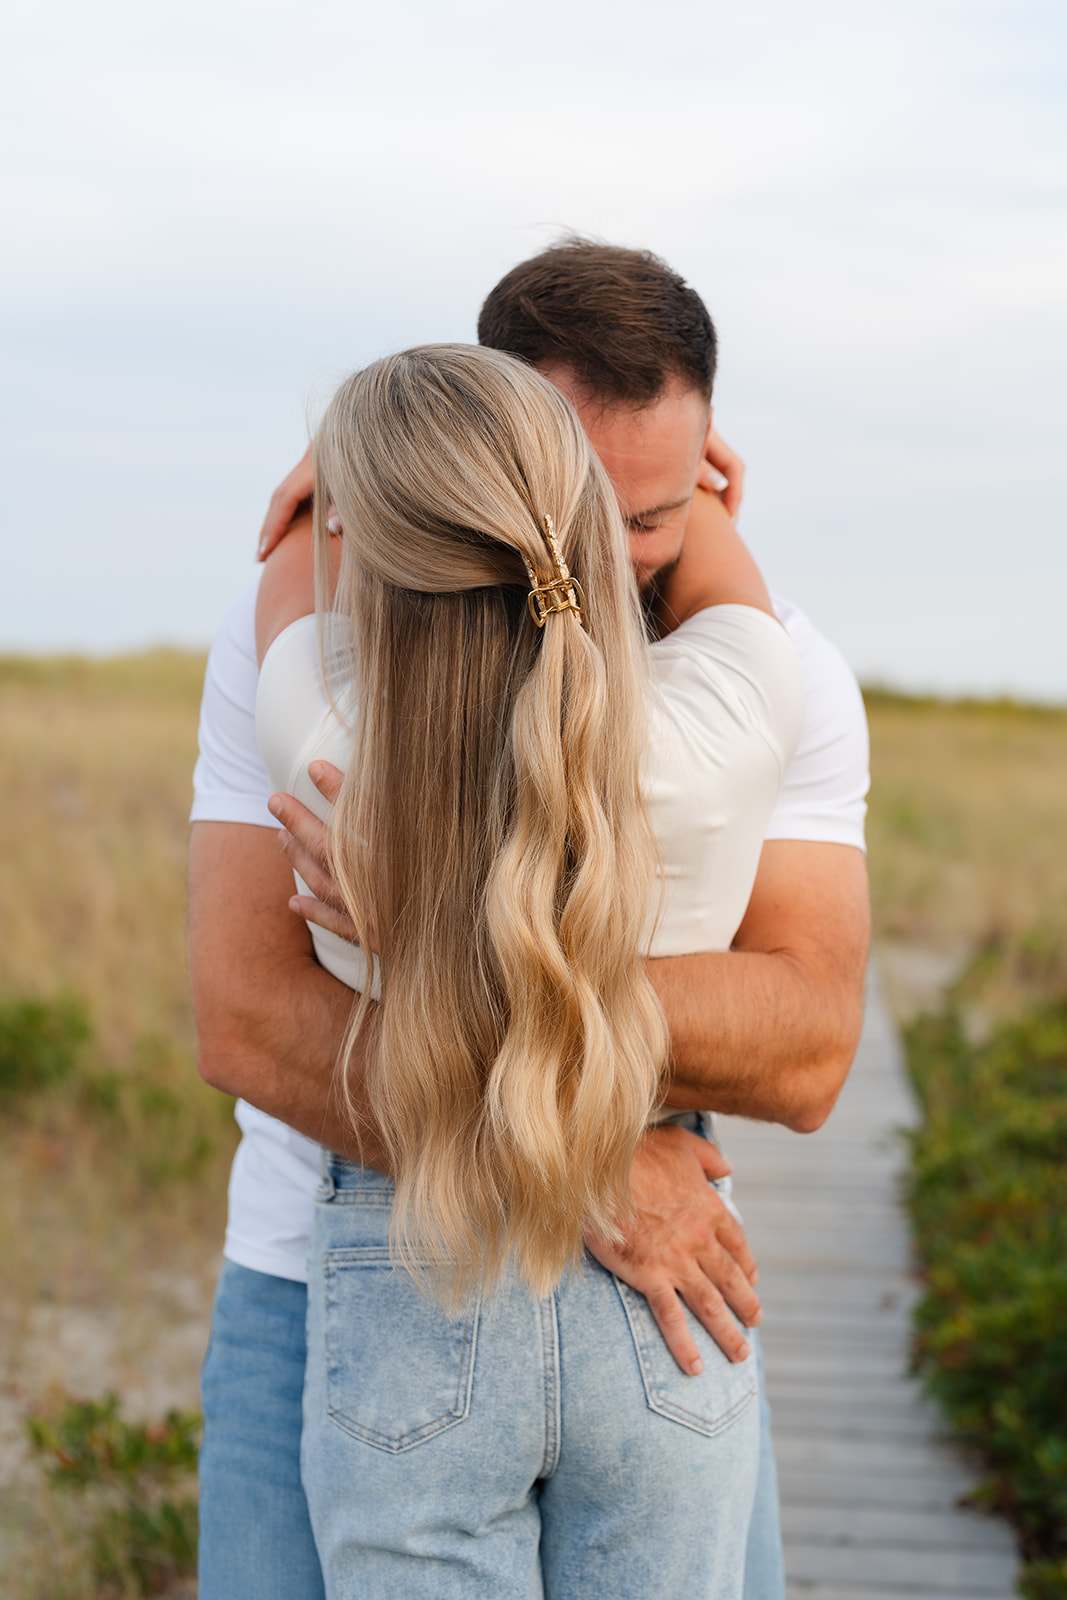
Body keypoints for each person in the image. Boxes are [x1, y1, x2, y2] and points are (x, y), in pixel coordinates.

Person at [189, 240, 870, 1600]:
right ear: (489, 451)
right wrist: (586, 1163)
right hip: (326, 1274)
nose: (605, 566)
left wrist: (452, 963)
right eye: (583, 510)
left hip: (621, 1273)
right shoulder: (747, 696)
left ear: (707, 471)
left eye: (657, 515)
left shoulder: (315, 685)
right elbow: (251, 1021)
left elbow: (805, 1052)